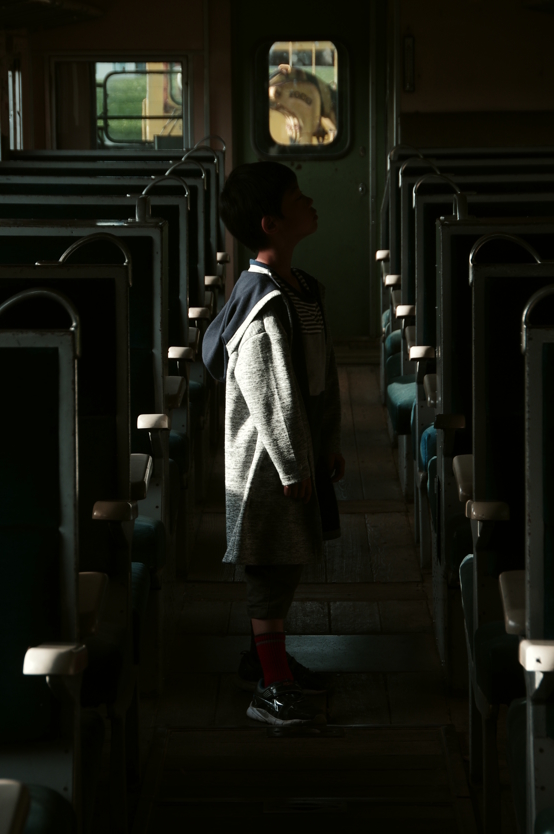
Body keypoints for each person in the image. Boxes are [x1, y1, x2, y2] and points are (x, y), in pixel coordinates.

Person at [202, 161, 345, 726]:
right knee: (270, 566)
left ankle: (269, 661)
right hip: (267, 462)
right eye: (297, 198)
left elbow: (321, 379)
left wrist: (328, 442)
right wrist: (291, 463)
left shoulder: (300, 288)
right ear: (271, 224)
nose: (311, 202)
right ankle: (270, 686)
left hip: (299, 451)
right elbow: (272, 397)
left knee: (286, 562)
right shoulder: (261, 303)